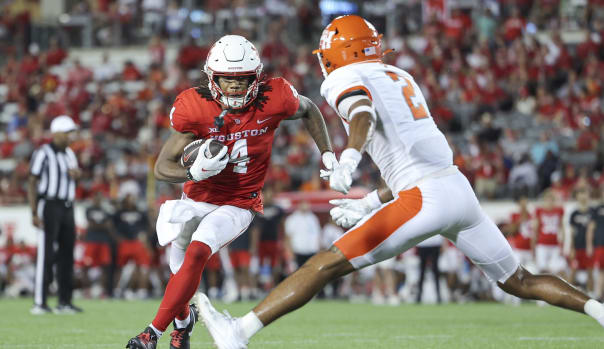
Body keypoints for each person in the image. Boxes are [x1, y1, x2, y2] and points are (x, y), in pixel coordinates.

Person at [197, 16, 604, 349]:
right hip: (456, 189)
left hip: (424, 196)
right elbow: (413, 155)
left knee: (326, 264)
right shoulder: (400, 75)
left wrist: (351, 156)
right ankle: (599, 312)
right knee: (520, 280)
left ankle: (238, 332)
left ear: (340, 53)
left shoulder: (342, 79)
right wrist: (371, 200)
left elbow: (362, 114)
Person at [125, 34, 335, 349]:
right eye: (228, 79)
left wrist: (328, 154)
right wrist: (191, 173)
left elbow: (309, 110)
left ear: (256, 77)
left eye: (243, 80)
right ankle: (183, 325)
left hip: (239, 203)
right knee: (178, 270)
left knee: (198, 252)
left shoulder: (275, 96)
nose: (235, 87)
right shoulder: (195, 107)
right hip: (195, 200)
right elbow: (161, 167)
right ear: (213, 77)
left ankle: (150, 333)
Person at [27, 115, 83, 315]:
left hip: (68, 207)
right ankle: (40, 302)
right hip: (49, 205)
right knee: (46, 254)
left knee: (67, 254)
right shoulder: (43, 152)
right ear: (57, 133)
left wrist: (77, 177)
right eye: (68, 132)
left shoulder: (69, 154)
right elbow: (32, 181)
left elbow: (73, 180)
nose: (71, 136)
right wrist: (34, 211)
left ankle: (64, 302)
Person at [81, 192, 115, 298]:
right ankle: (87, 290)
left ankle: (102, 291)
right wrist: (103, 225)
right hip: (91, 241)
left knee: (105, 267)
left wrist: (98, 225)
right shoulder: (89, 209)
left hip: (103, 242)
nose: (98, 200)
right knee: (86, 266)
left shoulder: (106, 211)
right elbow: (91, 225)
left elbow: (109, 226)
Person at [533, 189, 566, 277]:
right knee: (542, 269)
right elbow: (535, 230)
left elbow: (562, 229)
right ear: (544, 200)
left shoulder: (559, 211)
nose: (549, 202)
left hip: (554, 244)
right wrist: (533, 246)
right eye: (547, 199)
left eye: (552, 200)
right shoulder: (539, 211)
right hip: (542, 244)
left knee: (557, 269)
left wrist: (562, 244)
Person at [569, 187, 594, 293]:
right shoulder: (574, 213)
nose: (583, 196)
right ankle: (568, 294)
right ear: (577, 196)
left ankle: (591, 294)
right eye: (580, 193)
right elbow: (571, 233)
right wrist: (571, 248)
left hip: (589, 248)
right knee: (573, 271)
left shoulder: (593, 212)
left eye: (584, 193)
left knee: (590, 272)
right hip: (577, 247)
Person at [283, 201, 321, 268]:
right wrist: (290, 253)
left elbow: (317, 235)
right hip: (298, 252)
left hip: (312, 252)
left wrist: (319, 250)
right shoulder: (292, 219)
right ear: (299, 206)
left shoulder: (313, 218)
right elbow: (288, 237)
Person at [587, 185, 604, 299]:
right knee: (601, 271)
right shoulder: (597, 209)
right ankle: (598, 295)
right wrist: (589, 245)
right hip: (600, 245)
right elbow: (591, 228)